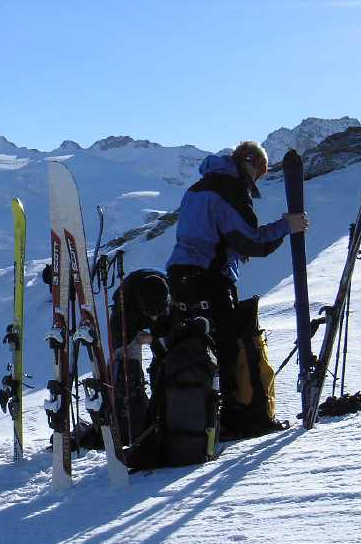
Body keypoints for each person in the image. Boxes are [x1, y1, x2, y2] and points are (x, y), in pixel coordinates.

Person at [165, 140, 309, 437]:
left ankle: (194, 420)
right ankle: (236, 420)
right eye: (259, 173)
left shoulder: (197, 188)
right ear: (251, 165)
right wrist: (287, 225)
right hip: (210, 280)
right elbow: (251, 241)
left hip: (179, 278)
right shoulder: (229, 188)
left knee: (192, 344)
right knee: (227, 348)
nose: (256, 180)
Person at [107, 269, 172, 447]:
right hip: (128, 323)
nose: (153, 317)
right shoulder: (123, 305)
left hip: (156, 319)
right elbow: (121, 342)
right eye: (150, 313)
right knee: (126, 368)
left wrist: (154, 340)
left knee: (168, 359)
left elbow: (170, 330)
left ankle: (164, 406)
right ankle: (132, 420)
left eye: (157, 313)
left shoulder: (170, 296)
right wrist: (136, 338)